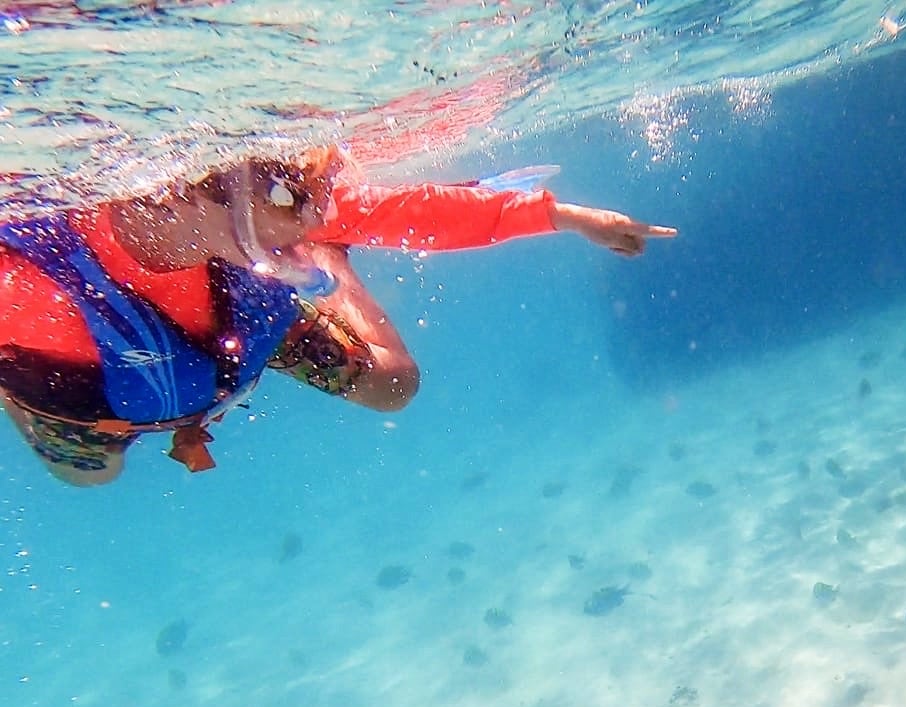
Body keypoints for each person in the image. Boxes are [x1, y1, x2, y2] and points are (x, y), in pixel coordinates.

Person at [0, 146, 676, 485]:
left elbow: (414, 212)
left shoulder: (267, 205)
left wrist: (561, 216)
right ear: (195, 191)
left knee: (394, 386)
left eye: (320, 193)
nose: (322, 211)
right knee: (89, 473)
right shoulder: (30, 286)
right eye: (299, 195)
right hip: (89, 385)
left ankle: (328, 269)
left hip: (241, 330)